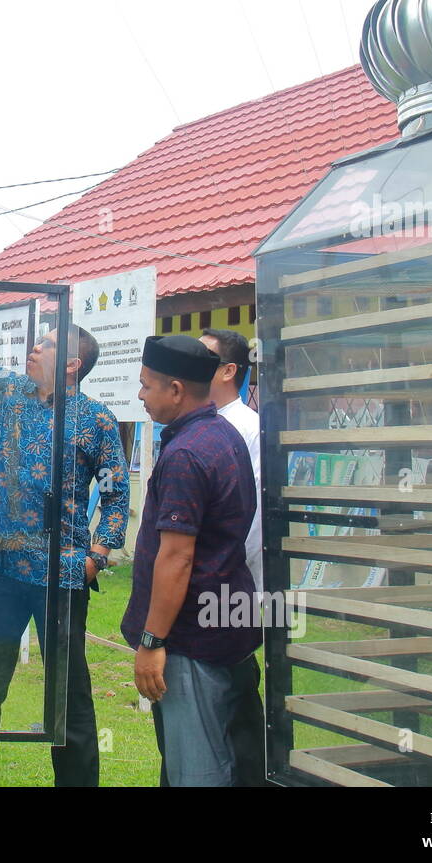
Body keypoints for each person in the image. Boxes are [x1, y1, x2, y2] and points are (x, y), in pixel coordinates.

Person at [0, 320, 129, 788]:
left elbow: (116, 494)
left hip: (61, 577)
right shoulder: (11, 393)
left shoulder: (97, 420)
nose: (34, 347)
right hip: (0, 573)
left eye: (47, 344)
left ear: (72, 364)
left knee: (68, 697)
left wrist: (97, 553)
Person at [124, 335, 260, 786]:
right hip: (225, 627)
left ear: (177, 390)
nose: (141, 396)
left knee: (196, 770)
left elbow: (177, 557)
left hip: (189, 642)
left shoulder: (186, 453)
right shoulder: (222, 434)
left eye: (146, 386)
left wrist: (151, 641)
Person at [198, 328, 267, 787]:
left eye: (203, 356)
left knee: (237, 706)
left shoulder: (248, 429)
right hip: (195, 594)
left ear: (229, 371)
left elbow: (252, 521)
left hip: (230, 591)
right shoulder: (194, 423)